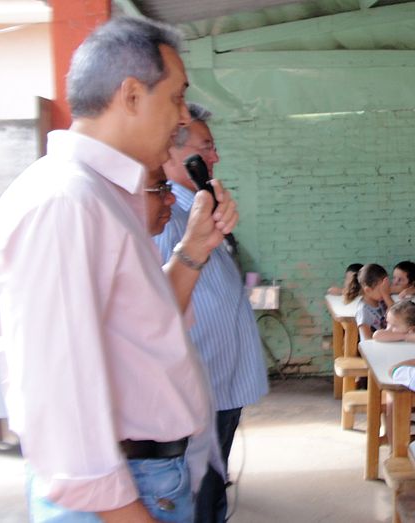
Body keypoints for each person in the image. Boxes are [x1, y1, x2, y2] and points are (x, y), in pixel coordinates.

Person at [0, 16, 239, 521]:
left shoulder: (106, 196)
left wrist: (195, 248)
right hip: (117, 498)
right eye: (175, 98)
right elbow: (60, 400)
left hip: (149, 479)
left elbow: (142, 331)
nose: (181, 119)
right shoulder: (66, 202)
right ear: (131, 95)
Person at [153, 103, 268, 522]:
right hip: (198, 387)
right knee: (198, 492)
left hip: (219, 382)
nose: (215, 157)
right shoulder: (165, 216)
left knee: (213, 485)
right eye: (207, 147)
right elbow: (158, 305)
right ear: (173, 151)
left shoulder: (196, 208)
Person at [353, 263, 394, 340]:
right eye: (382, 289)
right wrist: (386, 295)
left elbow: (398, 315)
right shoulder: (363, 311)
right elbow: (366, 340)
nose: (385, 291)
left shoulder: (381, 300)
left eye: (386, 288)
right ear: (368, 290)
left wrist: (386, 296)